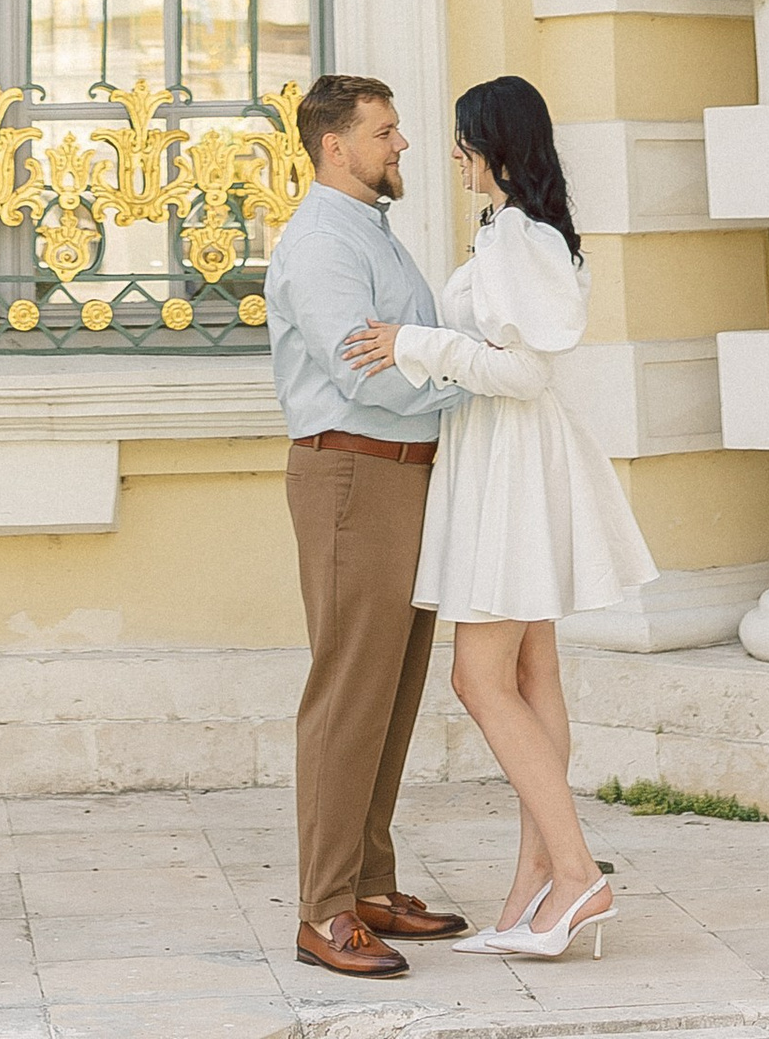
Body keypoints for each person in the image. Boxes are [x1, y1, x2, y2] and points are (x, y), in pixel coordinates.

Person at [345, 71, 651, 963]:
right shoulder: (517, 232)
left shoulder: (518, 235)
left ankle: (579, 874)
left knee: (479, 680)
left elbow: (524, 371)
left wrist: (414, 344)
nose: (448, 155)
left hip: (513, 464)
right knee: (529, 674)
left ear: (494, 146)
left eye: (461, 139)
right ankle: (536, 888)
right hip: (507, 460)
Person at [261, 71, 472, 981]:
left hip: (404, 479)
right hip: (353, 476)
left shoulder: (370, 233)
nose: (403, 146)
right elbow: (363, 370)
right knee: (349, 694)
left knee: (393, 691)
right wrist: (476, 373)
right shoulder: (318, 243)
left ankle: (368, 884)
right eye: (386, 132)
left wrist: (448, 366)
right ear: (334, 146)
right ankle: (323, 911)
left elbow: (403, 355)